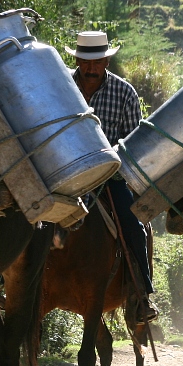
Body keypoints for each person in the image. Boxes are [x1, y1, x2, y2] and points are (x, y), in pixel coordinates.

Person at [66, 30, 158, 323]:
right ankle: (12, 284)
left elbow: (133, 144)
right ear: (78, 59)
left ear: (106, 60)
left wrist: (110, 160)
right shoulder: (62, 86)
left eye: (97, 61)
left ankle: (141, 295)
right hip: (65, 171)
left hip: (109, 176)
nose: (91, 68)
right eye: (85, 61)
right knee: (28, 212)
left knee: (133, 227)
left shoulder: (124, 93)